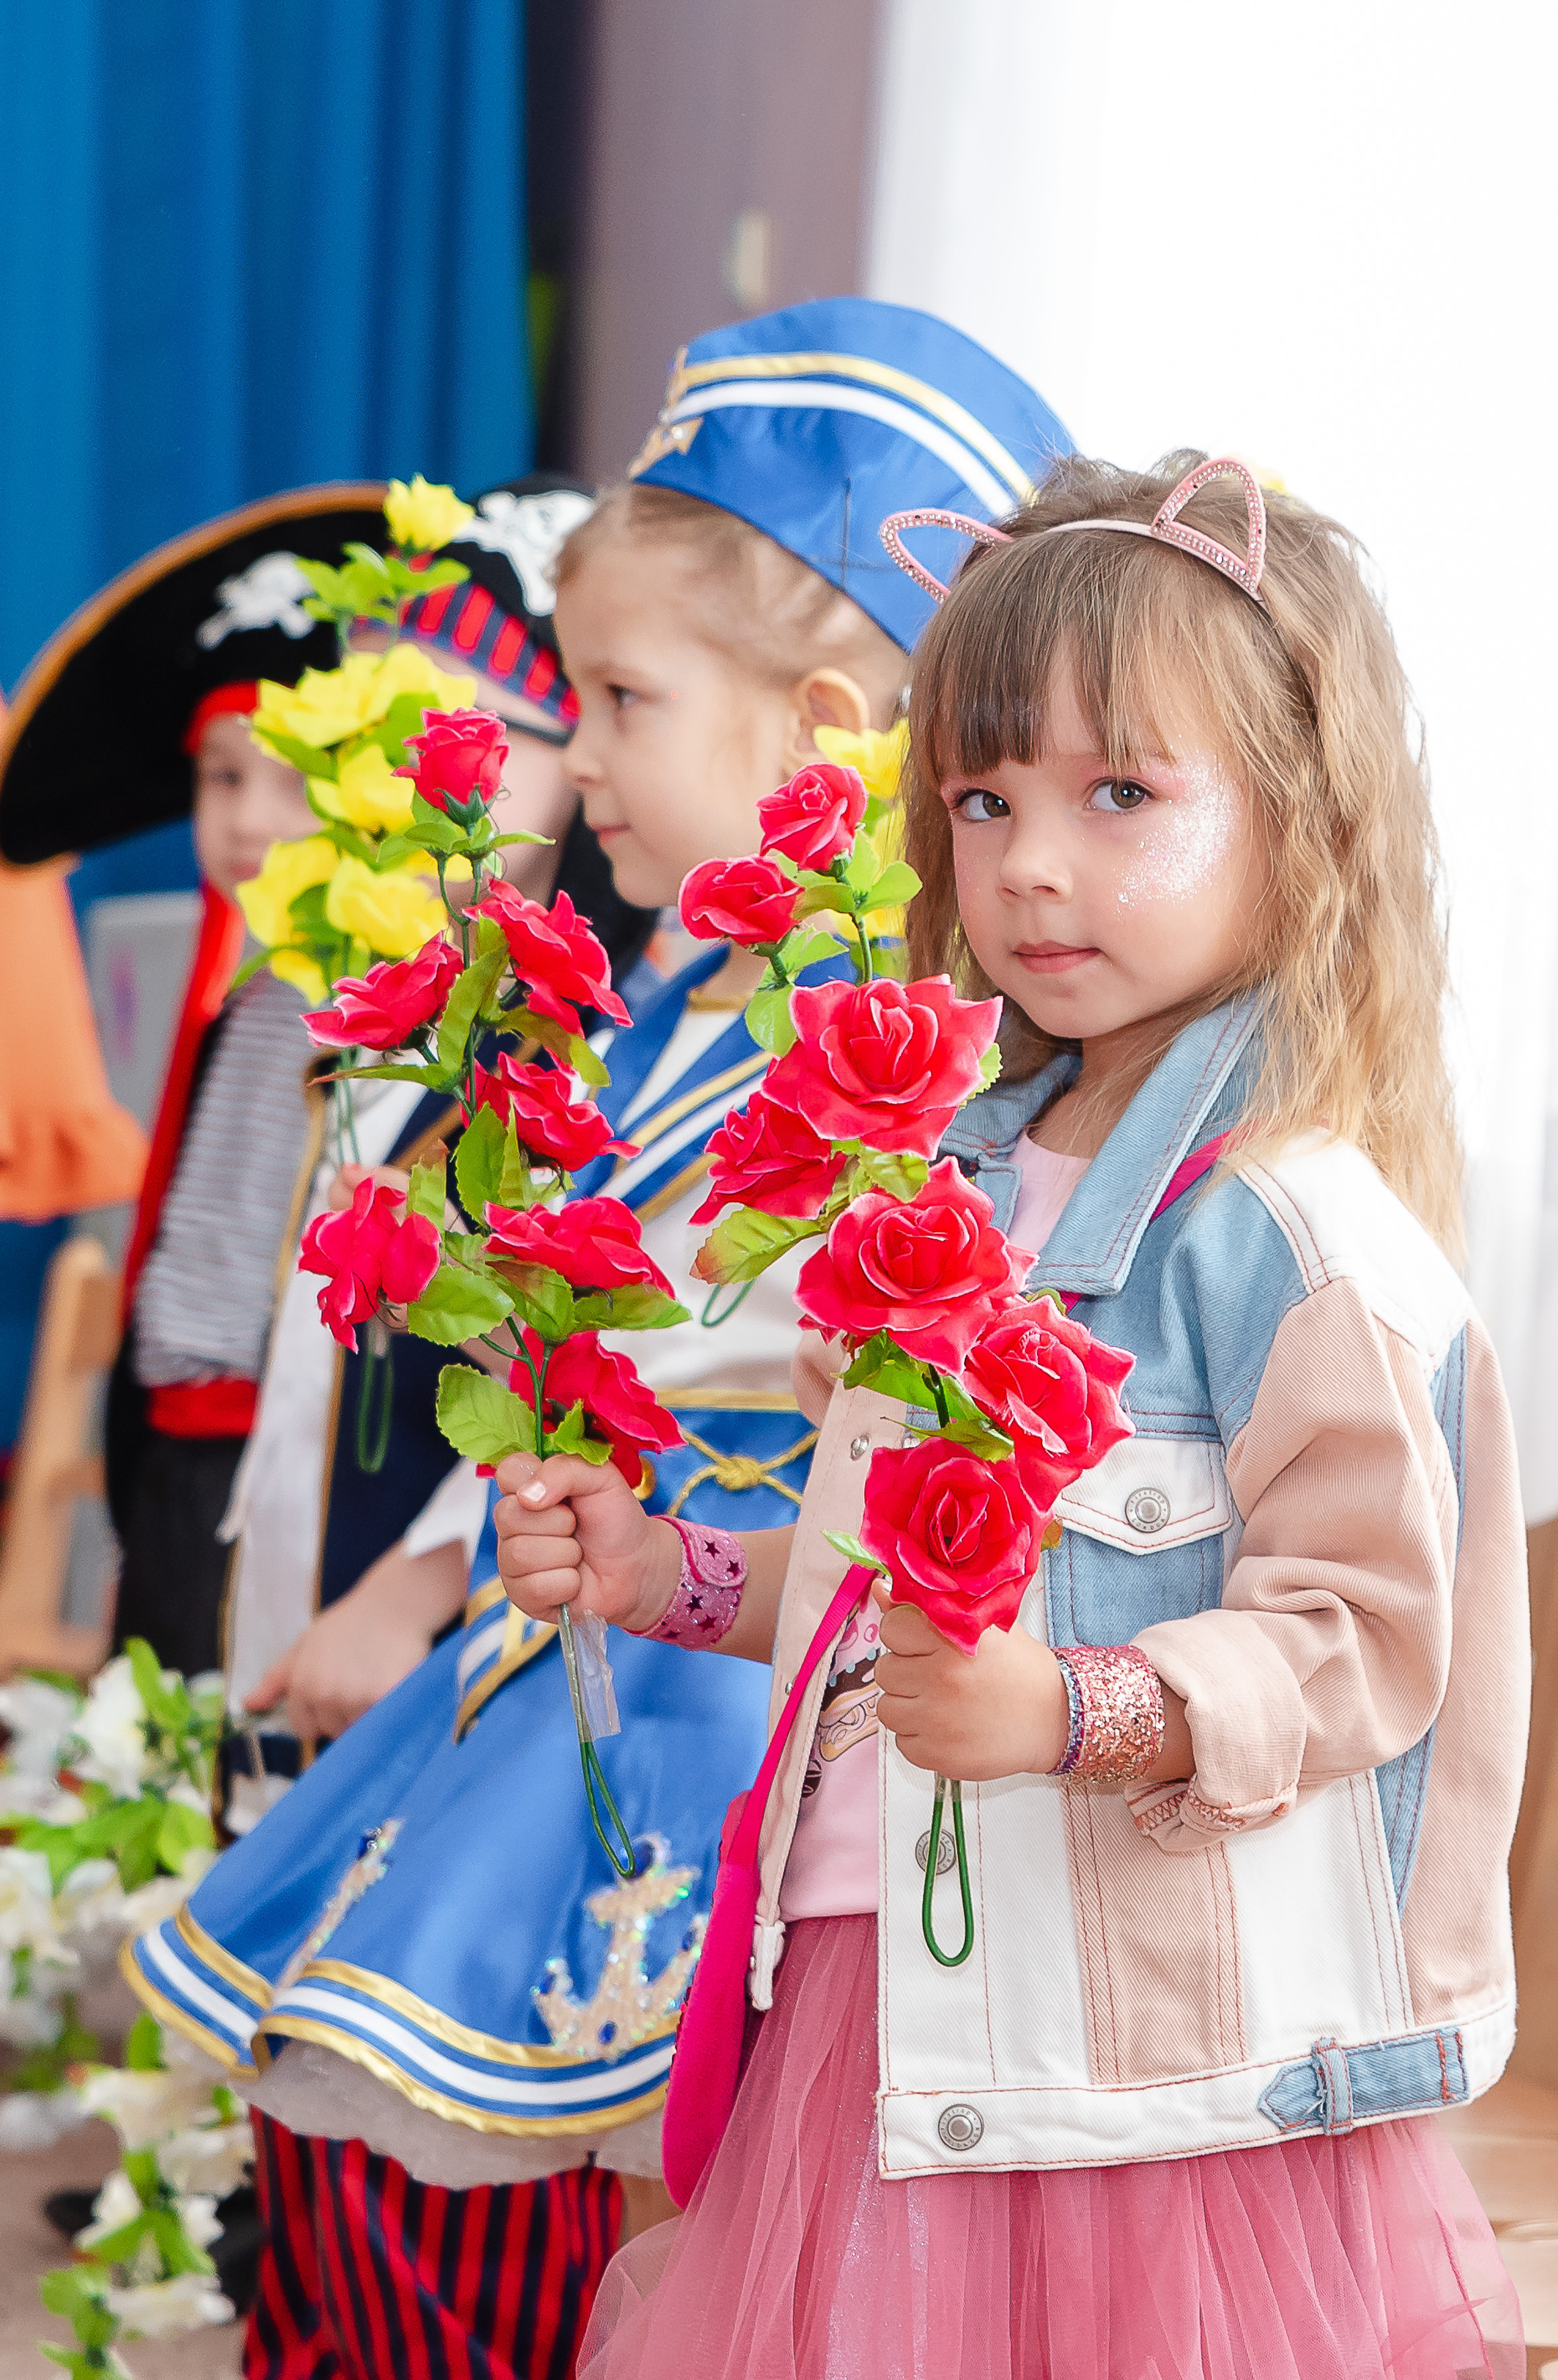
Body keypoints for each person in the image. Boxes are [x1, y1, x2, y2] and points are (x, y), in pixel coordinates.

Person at [494, 453, 1529, 2379]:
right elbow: (872, 1575)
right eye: (984, 799)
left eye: (1116, 794)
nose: (1031, 861)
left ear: (1299, 827)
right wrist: (668, 1566)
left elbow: (1368, 1641)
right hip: (876, 2000)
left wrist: (1075, 1711)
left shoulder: (1290, 1238)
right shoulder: (935, 1190)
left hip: (1129, 2084)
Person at [126, 299, 1072, 2380]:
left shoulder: (875, 1065)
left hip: (701, 1728)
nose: (581, 758)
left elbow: (761, 1407)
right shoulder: (681, 1017)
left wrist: (451, 1564)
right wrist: (411, 1563)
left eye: (622, 697)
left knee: (523, 2244)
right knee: (375, 2224)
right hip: (559, 1653)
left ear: (823, 729)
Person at [218, 474, 656, 1790]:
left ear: (573, 758)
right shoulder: (374, 1018)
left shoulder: (584, 1055)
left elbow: (602, 1380)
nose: (386, 784)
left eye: (446, 734)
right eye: (360, 737)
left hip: (455, 1658)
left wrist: (418, 1582)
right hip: (302, 1643)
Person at [0, 485, 390, 1677]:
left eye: (288, 781)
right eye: (222, 782)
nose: (246, 823)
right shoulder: (240, 994)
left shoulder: (371, 1006)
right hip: (176, 1423)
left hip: (276, 1443)